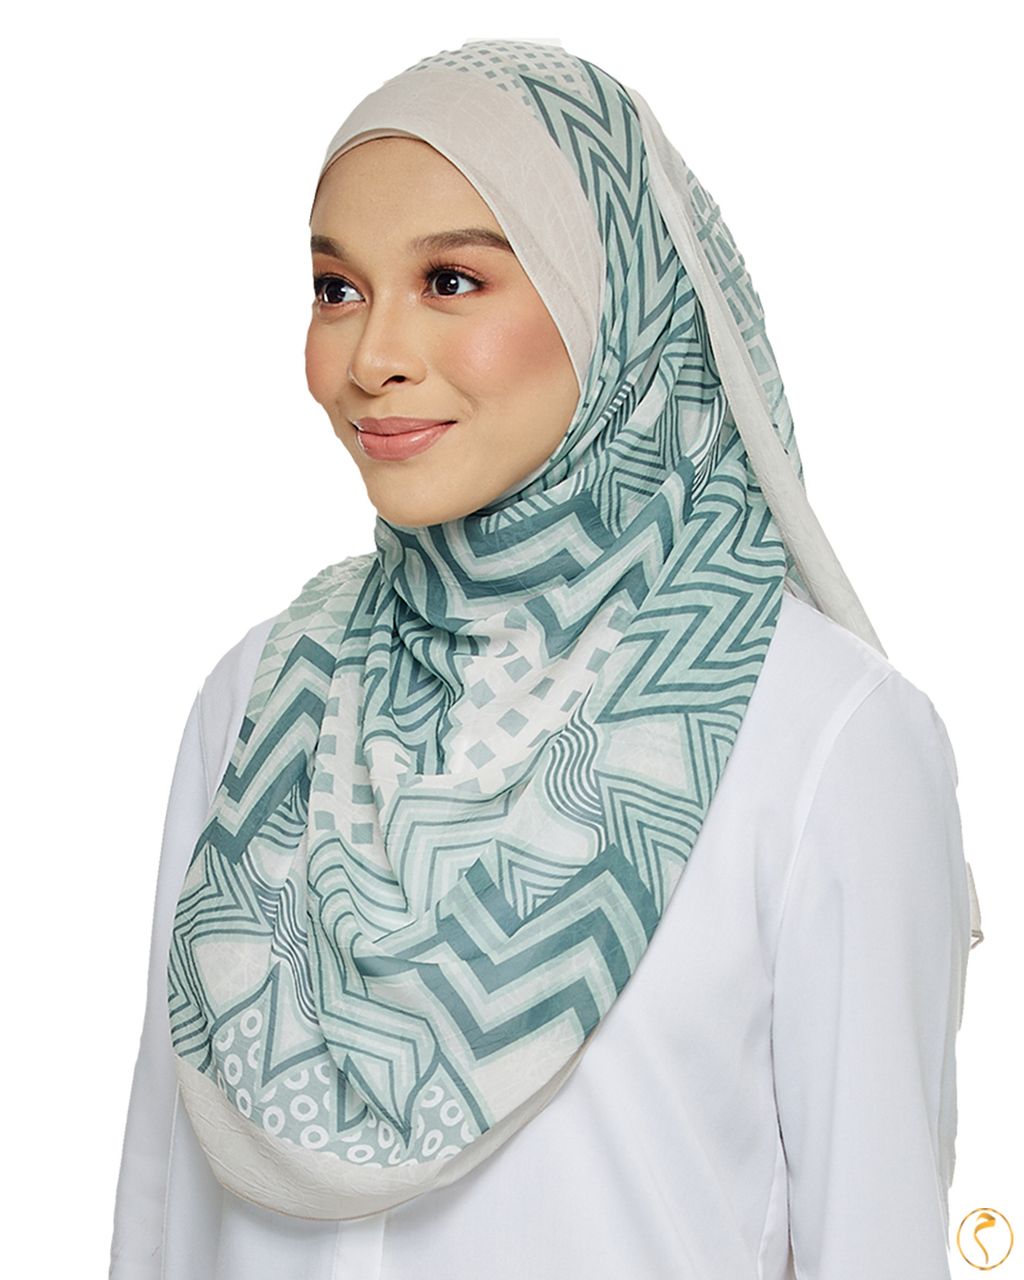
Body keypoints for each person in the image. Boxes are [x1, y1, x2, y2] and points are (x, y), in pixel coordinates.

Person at [108, 36, 982, 1280]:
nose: (371, 357)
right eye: (337, 287)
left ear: (607, 295)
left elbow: (876, 1241)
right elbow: (161, 1205)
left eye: (451, 280)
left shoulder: (815, 735)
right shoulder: (265, 698)